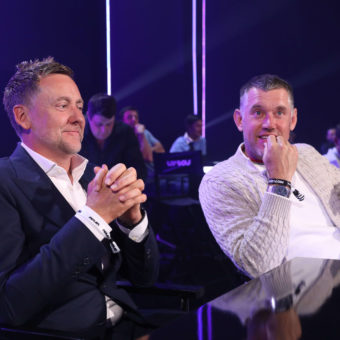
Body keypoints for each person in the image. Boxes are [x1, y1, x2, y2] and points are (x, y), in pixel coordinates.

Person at [0, 57, 159, 339]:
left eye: (79, 106)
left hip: (130, 325)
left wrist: (132, 222)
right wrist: (93, 217)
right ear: (23, 117)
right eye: (63, 106)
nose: (78, 117)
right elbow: (9, 303)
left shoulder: (91, 179)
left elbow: (145, 279)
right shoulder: (5, 181)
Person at [199, 74, 340, 279]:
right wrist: (279, 181)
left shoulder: (306, 153)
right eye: (258, 112)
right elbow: (258, 265)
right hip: (296, 292)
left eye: (280, 113)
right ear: (240, 120)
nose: (269, 124)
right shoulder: (220, 181)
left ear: (292, 119)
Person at [81, 94, 147, 180]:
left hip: (117, 189)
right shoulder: (76, 132)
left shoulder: (125, 132)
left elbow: (139, 171)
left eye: (109, 124)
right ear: (88, 117)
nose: (104, 130)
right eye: (99, 124)